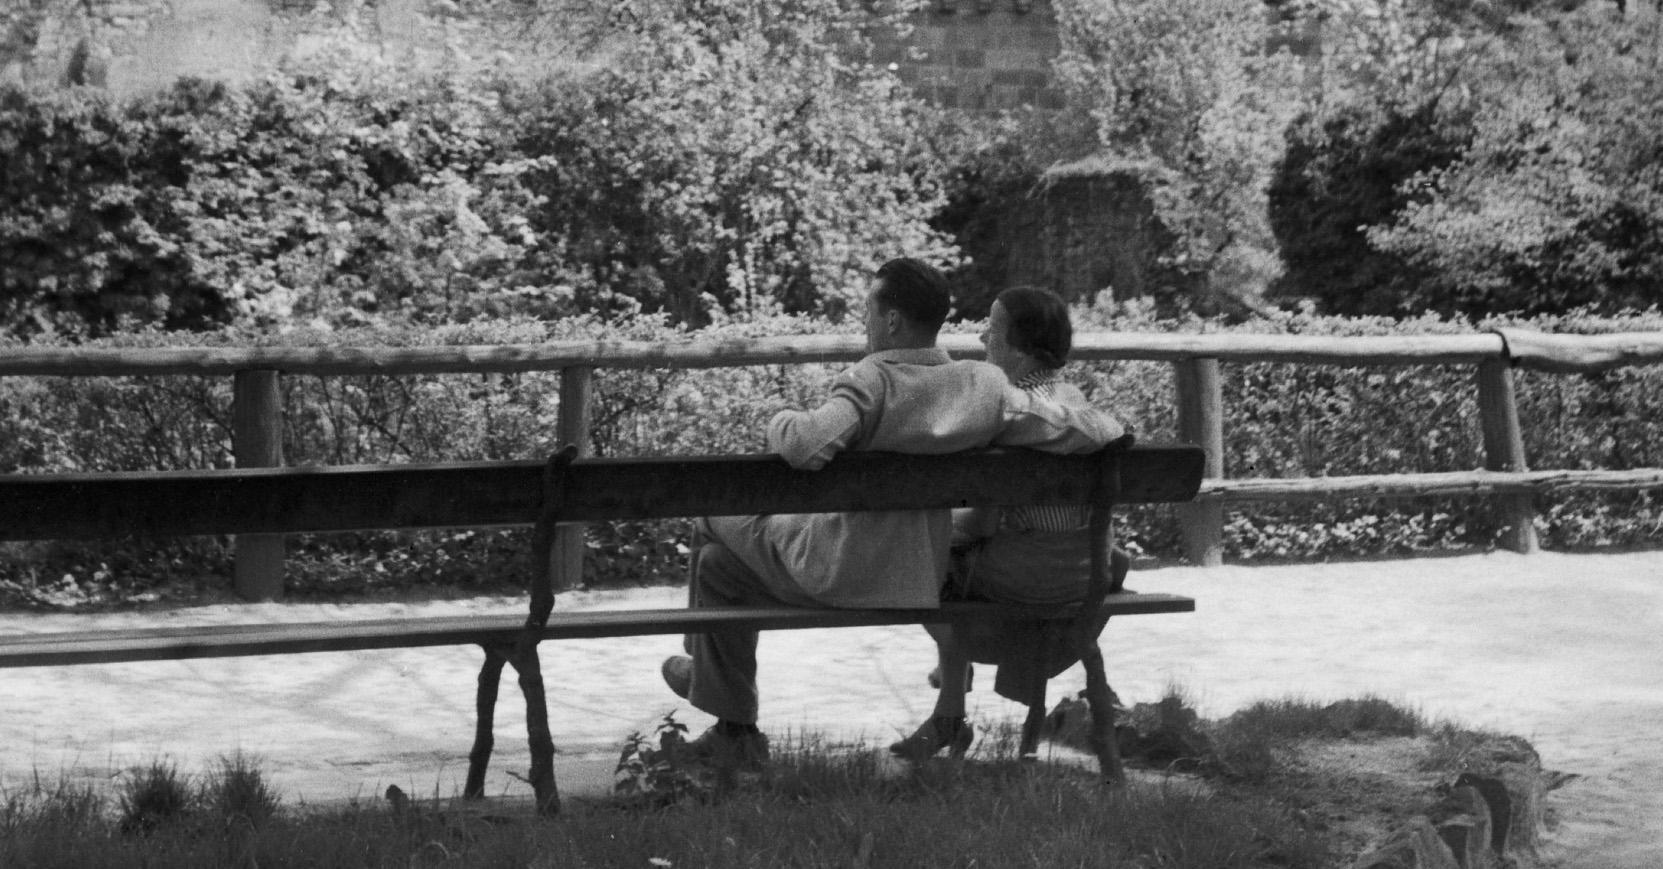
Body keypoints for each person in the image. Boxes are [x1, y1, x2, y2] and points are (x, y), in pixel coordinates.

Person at [659, 260, 1125, 769]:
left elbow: (803, 444)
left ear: (893, 321)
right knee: (718, 568)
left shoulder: (871, 380)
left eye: (868, 308)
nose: (864, 319)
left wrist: (777, 419)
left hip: (838, 570)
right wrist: (1109, 428)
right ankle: (732, 731)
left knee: (711, 516)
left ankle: (701, 670)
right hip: (918, 576)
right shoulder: (981, 386)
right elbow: (1063, 423)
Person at [889, 286, 1131, 762]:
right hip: (1084, 581)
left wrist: (938, 526)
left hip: (1016, 585)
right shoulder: (1073, 404)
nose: (981, 337)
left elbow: (979, 525)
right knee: (950, 557)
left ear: (1018, 347)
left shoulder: (1004, 416)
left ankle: (950, 707)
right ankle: (947, 708)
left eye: (991, 329)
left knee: (917, 559)